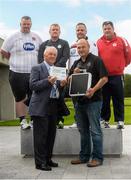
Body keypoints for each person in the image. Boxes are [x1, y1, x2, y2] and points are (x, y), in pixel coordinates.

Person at [70, 39, 108, 167]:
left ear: (88, 47)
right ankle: (84, 156)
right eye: (78, 47)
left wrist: (93, 89)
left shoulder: (97, 60)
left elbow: (104, 78)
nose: (80, 49)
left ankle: (97, 158)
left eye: (83, 47)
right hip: (79, 102)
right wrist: (72, 75)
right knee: (83, 131)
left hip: (94, 101)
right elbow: (69, 80)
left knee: (95, 130)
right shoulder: (76, 63)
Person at [0, 16, 42, 130]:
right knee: (20, 98)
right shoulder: (13, 37)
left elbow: (42, 52)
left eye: (28, 24)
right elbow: (3, 51)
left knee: (34, 97)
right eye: (24, 24)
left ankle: (33, 120)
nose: (26, 26)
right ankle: (23, 120)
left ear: (31, 24)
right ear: (20, 24)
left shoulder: (37, 37)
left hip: (33, 73)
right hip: (16, 72)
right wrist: (13, 60)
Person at [29, 46, 67, 171]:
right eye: (50, 54)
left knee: (51, 135)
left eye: (54, 55)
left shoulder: (57, 70)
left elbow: (57, 90)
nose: (52, 56)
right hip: (40, 107)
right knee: (41, 136)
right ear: (44, 55)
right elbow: (33, 85)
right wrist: (47, 81)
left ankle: (48, 159)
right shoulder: (37, 68)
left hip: (53, 105)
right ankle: (40, 163)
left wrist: (61, 85)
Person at [97, 21, 131, 129]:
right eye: (105, 29)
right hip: (104, 76)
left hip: (117, 75)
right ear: (103, 30)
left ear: (113, 28)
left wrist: (121, 66)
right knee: (105, 99)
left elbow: (128, 55)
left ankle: (120, 121)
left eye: (109, 28)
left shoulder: (122, 40)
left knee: (118, 98)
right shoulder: (99, 42)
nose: (107, 30)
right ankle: (104, 120)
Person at [38, 23, 70, 128]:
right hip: (46, 73)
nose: (55, 31)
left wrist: (53, 67)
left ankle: (60, 119)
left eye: (57, 30)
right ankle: (46, 117)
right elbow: (40, 59)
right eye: (53, 29)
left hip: (60, 72)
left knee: (59, 95)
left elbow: (65, 57)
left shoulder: (64, 43)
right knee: (48, 95)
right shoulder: (44, 44)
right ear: (49, 31)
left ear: (60, 32)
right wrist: (48, 67)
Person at [68, 22, 98, 128]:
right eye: (78, 30)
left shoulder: (92, 44)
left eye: (82, 30)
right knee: (76, 100)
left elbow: (94, 60)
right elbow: (69, 61)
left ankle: (90, 122)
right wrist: (71, 73)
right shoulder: (71, 45)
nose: (80, 32)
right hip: (74, 76)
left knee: (88, 99)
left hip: (87, 76)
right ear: (75, 32)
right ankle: (77, 121)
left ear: (86, 31)